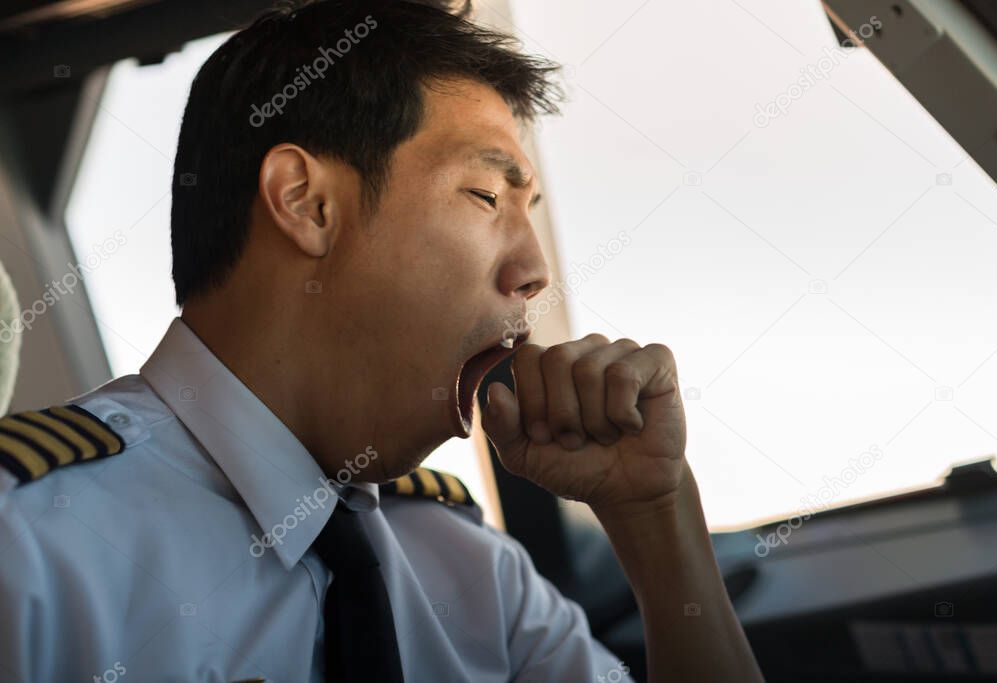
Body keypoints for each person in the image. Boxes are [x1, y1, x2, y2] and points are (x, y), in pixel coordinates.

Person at [0, 1, 763, 681]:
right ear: (307, 203)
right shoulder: (30, 551)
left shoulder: (476, 576)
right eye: (485, 196)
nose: (534, 272)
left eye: (528, 210)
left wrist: (657, 520)